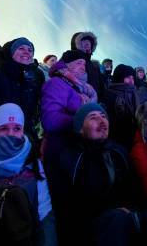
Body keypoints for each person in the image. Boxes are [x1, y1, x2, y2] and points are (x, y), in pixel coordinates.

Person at [55, 103, 147, 246]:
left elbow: (134, 188)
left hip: (128, 214)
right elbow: (69, 205)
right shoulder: (72, 158)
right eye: (93, 118)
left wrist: (130, 209)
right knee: (117, 221)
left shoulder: (118, 151)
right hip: (92, 223)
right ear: (80, 128)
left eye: (103, 117)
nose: (101, 121)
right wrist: (114, 211)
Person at [0, 103, 57, 246]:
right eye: (3, 128)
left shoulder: (34, 165)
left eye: (17, 128)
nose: (11, 134)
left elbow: (44, 216)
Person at [40, 49, 97, 192]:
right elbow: (50, 120)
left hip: (77, 151)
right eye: (79, 63)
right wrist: (84, 122)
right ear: (67, 65)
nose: (83, 67)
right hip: (60, 152)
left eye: (84, 64)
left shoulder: (81, 89)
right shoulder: (56, 83)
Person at [0, 37, 45, 141]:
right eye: (21, 48)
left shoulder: (34, 82)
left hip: (26, 141)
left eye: (30, 50)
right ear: (10, 53)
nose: (27, 52)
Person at [103, 64, 140, 150]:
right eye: (127, 77)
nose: (131, 81)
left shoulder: (135, 94)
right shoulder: (110, 95)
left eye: (133, 78)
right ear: (119, 77)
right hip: (117, 140)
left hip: (133, 139)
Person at [70, 31, 106, 96]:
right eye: (83, 42)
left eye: (89, 43)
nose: (87, 45)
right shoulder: (69, 59)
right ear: (76, 43)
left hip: (95, 102)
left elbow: (101, 89)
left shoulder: (95, 67)